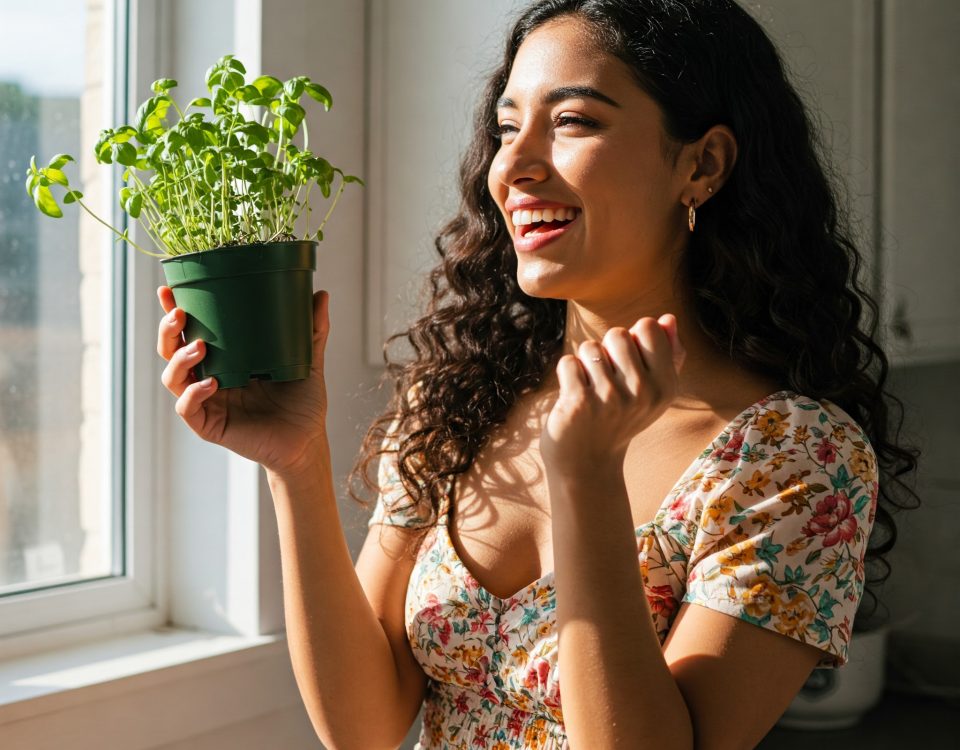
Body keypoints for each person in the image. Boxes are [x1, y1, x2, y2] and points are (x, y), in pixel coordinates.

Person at [157, 0, 918, 747]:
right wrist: (296, 465)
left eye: (574, 122)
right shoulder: (459, 396)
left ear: (703, 163)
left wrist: (585, 476)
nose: (514, 167)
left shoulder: (792, 456)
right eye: (508, 128)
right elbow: (363, 727)